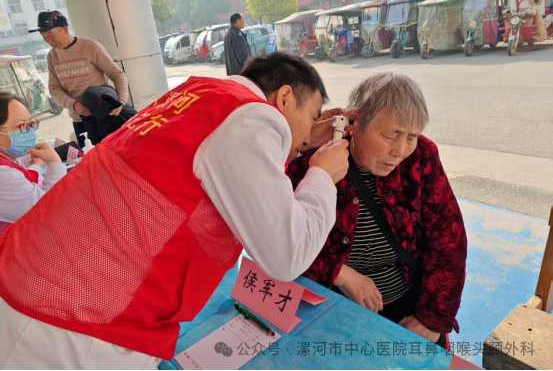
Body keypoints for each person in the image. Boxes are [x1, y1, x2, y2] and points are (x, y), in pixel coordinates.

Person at [0, 52, 350, 369]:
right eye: (312, 116)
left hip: (30, 281)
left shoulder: (198, 94)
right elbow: (287, 253)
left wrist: (303, 135)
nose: (309, 135)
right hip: (73, 324)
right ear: (284, 98)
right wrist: (322, 175)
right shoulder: (252, 116)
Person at [287, 71, 467, 349]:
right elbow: (282, 236)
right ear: (355, 122)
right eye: (389, 135)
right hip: (334, 305)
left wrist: (431, 320)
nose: (400, 151)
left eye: (411, 136)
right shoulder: (317, 158)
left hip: (408, 303)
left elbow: (448, 240)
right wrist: (339, 272)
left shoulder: (422, 156)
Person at [28, 10, 129, 148]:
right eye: (44, 37)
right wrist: (75, 105)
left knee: (116, 153)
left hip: (105, 116)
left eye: (51, 35)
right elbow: (54, 88)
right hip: (79, 120)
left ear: (64, 29)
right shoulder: (52, 55)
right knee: (88, 156)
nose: (49, 41)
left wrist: (121, 101)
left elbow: (117, 74)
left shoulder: (90, 46)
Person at [0, 90, 66, 236]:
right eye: (22, 125)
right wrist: (55, 162)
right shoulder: (3, 173)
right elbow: (47, 209)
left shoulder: (8, 156)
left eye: (31, 123)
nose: (30, 131)